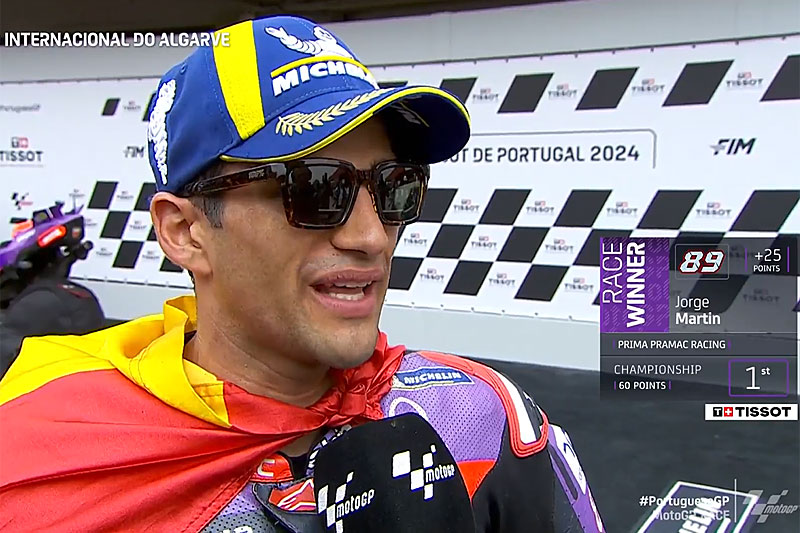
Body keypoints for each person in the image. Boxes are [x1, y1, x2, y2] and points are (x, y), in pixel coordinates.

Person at [0, 15, 604, 532]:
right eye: (315, 188)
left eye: (394, 187)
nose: (371, 237)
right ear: (185, 232)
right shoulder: (36, 458)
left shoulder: (483, 418)